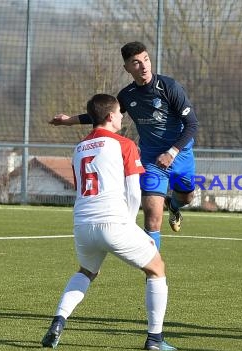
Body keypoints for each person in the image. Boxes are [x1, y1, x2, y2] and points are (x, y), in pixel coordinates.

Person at [41, 94, 175, 351]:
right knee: (157, 268)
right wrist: (131, 224)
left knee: (86, 272)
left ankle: (59, 320)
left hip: (82, 223)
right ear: (111, 116)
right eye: (119, 113)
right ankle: (155, 340)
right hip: (113, 222)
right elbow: (134, 192)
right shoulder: (124, 144)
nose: (122, 117)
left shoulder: (79, 148)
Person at [49, 41, 198, 249]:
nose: (144, 66)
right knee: (152, 219)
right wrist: (68, 120)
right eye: (136, 63)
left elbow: (191, 125)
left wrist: (172, 152)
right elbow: (103, 115)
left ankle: (173, 205)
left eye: (146, 59)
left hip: (180, 154)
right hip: (152, 160)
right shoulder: (127, 95)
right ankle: (152, 273)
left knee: (187, 197)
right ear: (127, 68)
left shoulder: (169, 87)